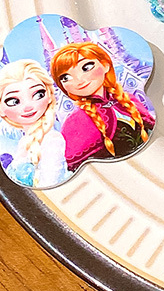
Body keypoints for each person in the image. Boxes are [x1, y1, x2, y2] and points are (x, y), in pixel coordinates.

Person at [51, 43, 154, 172]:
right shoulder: (75, 122)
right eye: (66, 77)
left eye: (86, 67)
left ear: (105, 65)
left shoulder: (127, 99)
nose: (79, 80)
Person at [0, 60, 69, 188]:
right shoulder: (23, 141)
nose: (28, 107)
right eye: (14, 101)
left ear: (49, 96)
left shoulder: (51, 139)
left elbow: (50, 187)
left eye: (38, 95)